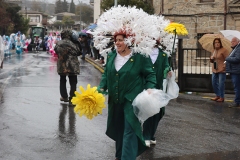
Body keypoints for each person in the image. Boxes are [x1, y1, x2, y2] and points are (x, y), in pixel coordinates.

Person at [97, 32, 156, 160]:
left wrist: (150, 87)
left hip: (132, 99)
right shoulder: (112, 55)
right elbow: (106, 74)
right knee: (118, 128)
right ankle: (120, 155)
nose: (117, 43)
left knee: (130, 130)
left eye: (120, 40)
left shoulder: (140, 57)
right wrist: (101, 87)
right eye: (116, 40)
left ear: (129, 42)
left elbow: (150, 74)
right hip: (115, 99)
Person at [143, 43, 171, 147]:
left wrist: (167, 71)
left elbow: (166, 66)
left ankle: (151, 134)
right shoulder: (143, 53)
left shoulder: (163, 54)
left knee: (159, 112)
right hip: (147, 88)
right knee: (148, 111)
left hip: (159, 88)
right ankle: (145, 135)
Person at [54, 29, 82, 105]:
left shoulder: (59, 43)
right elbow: (79, 52)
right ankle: (72, 99)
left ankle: (64, 96)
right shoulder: (74, 43)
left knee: (62, 80)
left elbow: (56, 51)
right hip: (73, 65)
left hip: (62, 66)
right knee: (73, 82)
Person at [209, 38, 229, 102]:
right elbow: (212, 61)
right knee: (214, 82)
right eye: (215, 43)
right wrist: (211, 58)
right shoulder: (213, 51)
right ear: (214, 44)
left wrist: (224, 66)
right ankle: (217, 95)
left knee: (221, 84)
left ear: (220, 43)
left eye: (218, 42)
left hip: (222, 69)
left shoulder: (224, 50)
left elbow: (227, 59)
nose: (217, 44)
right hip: (214, 69)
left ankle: (222, 97)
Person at [225, 37, 240, 108]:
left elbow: (237, 59)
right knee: (237, 87)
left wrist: (227, 58)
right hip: (234, 70)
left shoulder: (238, 48)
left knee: (237, 87)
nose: (232, 42)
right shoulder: (234, 49)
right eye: (231, 41)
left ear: (238, 42)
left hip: (236, 71)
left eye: (233, 41)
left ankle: (237, 102)